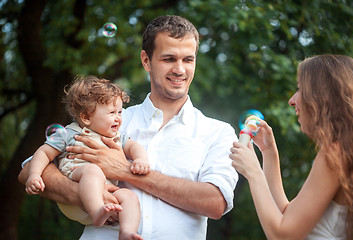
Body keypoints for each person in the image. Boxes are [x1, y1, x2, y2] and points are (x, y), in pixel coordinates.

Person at [19, 15, 238, 240]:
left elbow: (215, 202)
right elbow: (28, 171)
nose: (180, 69)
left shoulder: (218, 132)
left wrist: (124, 171)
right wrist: (90, 194)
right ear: (146, 61)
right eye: (169, 58)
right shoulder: (109, 120)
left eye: (188, 59)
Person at [230, 54, 353, 239]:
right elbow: (287, 216)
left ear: (323, 96)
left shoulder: (334, 153)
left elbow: (283, 236)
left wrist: (253, 172)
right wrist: (268, 153)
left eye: (300, 89)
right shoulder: (345, 150)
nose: (292, 100)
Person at [24, 76, 149, 240]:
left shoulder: (116, 136)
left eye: (119, 111)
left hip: (108, 197)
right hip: (75, 193)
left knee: (129, 196)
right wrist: (34, 175)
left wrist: (140, 159)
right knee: (92, 170)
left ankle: (126, 232)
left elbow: (134, 147)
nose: (119, 117)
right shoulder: (68, 133)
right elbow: (43, 153)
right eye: (112, 113)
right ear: (86, 117)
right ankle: (97, 211)